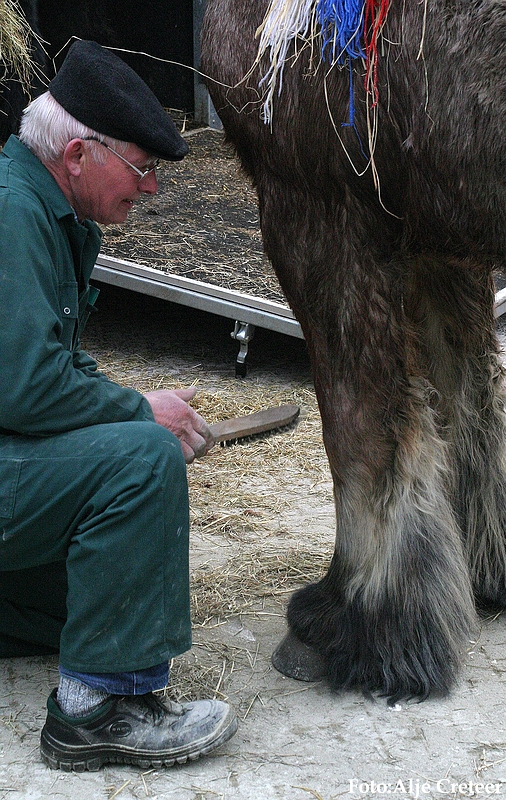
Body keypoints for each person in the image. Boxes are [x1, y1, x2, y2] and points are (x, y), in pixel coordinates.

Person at [0, 39, 237, 771]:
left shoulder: (46, 208)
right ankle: (100, 708)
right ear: (78, 154)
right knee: (140, 462)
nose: (154, 189)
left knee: (95, 600)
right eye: (144, 168)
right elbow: (26, 387)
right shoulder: (11, 215)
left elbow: (52, 365)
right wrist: (141, 413)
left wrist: (120, 402)